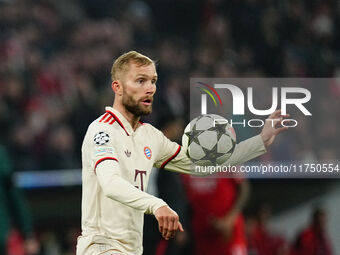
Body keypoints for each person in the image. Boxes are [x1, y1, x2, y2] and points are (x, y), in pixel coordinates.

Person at [76, 50, 288, 255]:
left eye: (152, 81)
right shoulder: (102, 131)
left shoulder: (151, 137)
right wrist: (158, 206)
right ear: (118, 87)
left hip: (145, 237)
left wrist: (260, 140)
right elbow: (111, 183)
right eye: (140, 81)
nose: (149, 89)